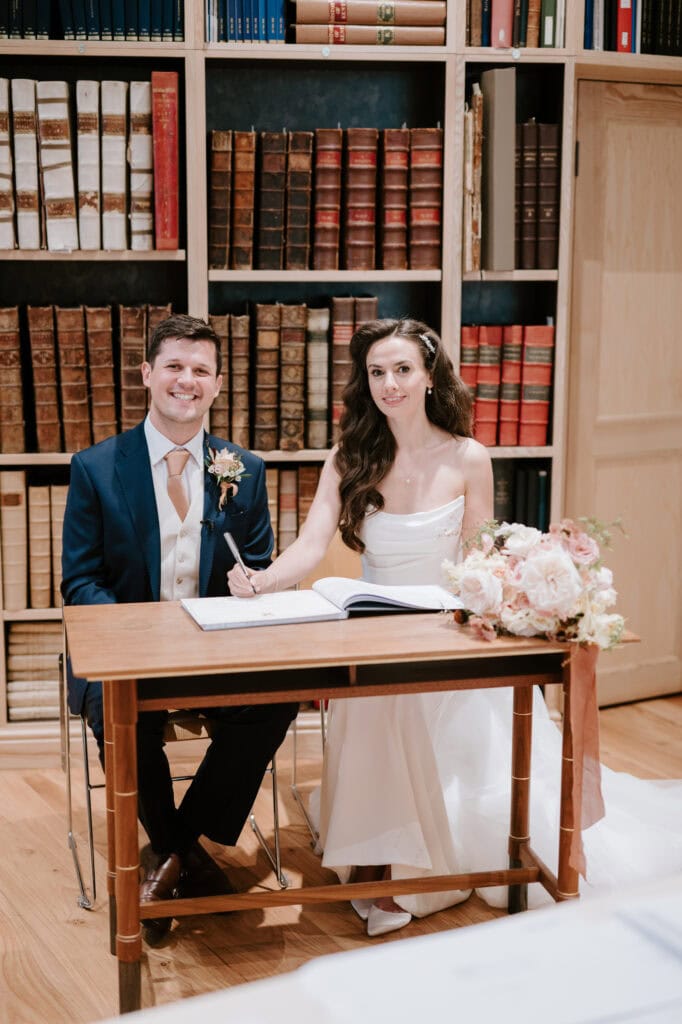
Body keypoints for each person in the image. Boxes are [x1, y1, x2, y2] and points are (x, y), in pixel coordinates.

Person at [229, 316, 682, 938]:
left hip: (446, 634)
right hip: (375, 632)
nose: (390, 384)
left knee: (439, 733)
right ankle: (384, 854)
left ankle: (413, 871)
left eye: (402, 370)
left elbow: (477, 559)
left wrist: (495, 597)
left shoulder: (470, 456)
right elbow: (310, 548)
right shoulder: (349, 457)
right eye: (377, 373)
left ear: (429, 376)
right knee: (375, 700)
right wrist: (262, 581)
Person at [62, 313, 298, 943]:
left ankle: (171, 850)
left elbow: (258, 563)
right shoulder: (95, 468)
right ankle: (181, 851)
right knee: (121, 712)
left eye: (200, 370)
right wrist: (140, 640)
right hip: (125, 652)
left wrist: (255, 583)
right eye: (174, 366)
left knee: (277, 697)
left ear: (217, 385)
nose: (186, 380)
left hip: (214, 649)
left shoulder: (241, 469)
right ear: (147, 374)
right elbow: (80, 582)